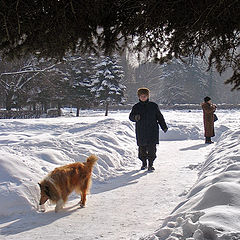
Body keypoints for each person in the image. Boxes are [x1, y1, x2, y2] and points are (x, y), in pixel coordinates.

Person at [129, 87, 168, 171]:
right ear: (139, 97)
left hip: (152, 130)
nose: (143, 97)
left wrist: (163, 126)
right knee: (142, 148)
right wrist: (135, 117)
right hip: (141, 131)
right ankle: (143, 163)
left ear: (148, 96)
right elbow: (130, 117)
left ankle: (151, 164)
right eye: (141, 96)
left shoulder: (153, 106)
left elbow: (159, 117)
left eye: (145, 96)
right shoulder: (136, 107)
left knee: (152, 149)